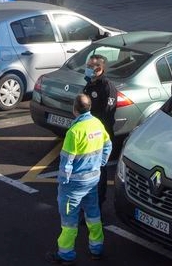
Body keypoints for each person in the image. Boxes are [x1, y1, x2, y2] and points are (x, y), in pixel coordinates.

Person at [47, 94, 112, 265]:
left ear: (74, 109)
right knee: (93, 215)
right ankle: (96, 249)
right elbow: (108, 145)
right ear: (89, 107)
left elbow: (66, 162)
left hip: (74, 185)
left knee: (69, 222)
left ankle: (66, 254)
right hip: (92, 180)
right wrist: (101, 163)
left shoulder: (74, 132)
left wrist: (63, 183)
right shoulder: (97, 124)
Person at [82, 54, 117, 205]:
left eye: (92, 67)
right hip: (87, 134)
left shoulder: (107, 87)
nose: (89, 69)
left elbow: (107, 114)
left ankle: (98, 205)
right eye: (88, 66)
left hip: (99, 136)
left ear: (101, 69)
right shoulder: (89, 84)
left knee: (98, 172)